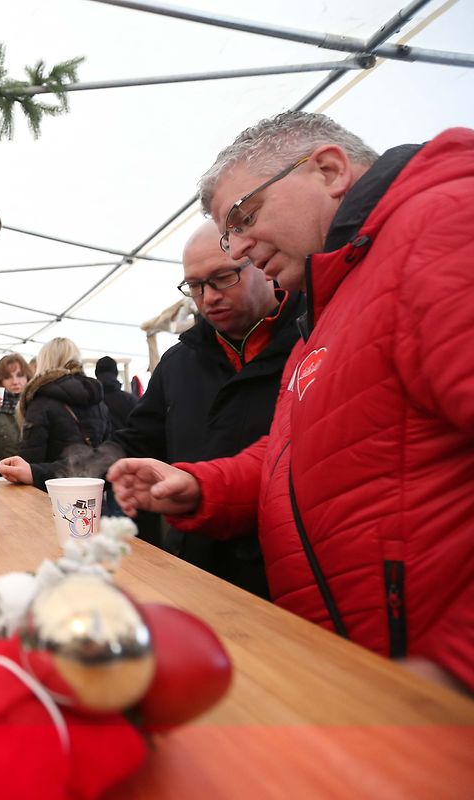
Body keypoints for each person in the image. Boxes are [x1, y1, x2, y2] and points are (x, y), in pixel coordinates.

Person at [110, 112, 474, 691]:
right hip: (345, 674)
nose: (241, 246)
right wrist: (204, 486)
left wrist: (456, 667)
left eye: (244, 218)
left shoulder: (444, 226)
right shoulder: (332, 297)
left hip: (423, 704)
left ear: (328, 170)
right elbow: (295, 451)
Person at [107, 221, 302, 595]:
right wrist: (46, 471)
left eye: (222, 278)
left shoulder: (312, 340)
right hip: (193, 571)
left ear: (262, 263)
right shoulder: (179, 361)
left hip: (279, 580)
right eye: (194, 286)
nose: (208, 296)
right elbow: (135, 443)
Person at [1, 338, 113, 488]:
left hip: (50, 498)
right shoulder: (98, 401)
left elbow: (30, 463)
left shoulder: (41, 401)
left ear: (45, 361)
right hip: (92, 494)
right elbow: (107, 455)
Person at [94, 356, 137, 432]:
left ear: (96, 374)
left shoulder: (91, 401)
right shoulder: (130, 400)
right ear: (116, 373)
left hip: (100, 444)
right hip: (126, 442)